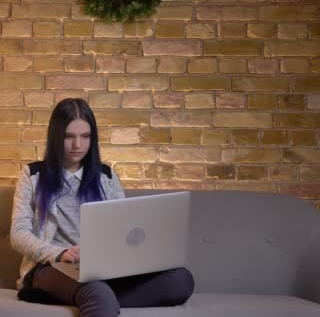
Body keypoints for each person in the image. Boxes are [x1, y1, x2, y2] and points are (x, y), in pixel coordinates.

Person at [10, 98, 194, 316]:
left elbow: (125, 230)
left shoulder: (106, 176)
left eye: (85, 136)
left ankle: (85, 296)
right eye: (69, 136)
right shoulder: (32, 175)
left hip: (101, 270)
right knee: (97, 292)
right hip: (50, 266)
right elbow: (18, 234)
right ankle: (93, 295)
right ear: (56, 136)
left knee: (181, 280)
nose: (77, 145)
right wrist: (59, 253)